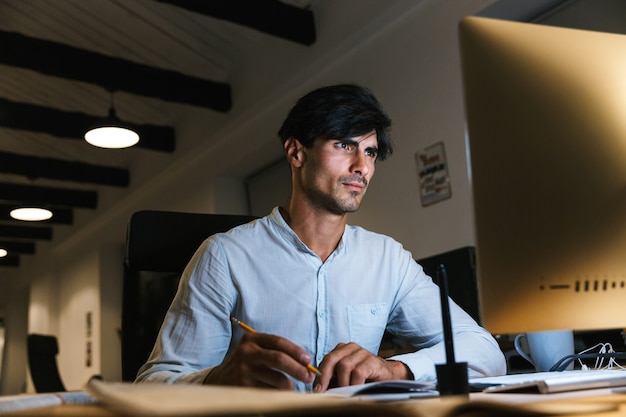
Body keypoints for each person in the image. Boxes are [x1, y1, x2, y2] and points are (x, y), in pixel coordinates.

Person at [135, 84, 506, 392]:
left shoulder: (386, 258)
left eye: (371, 152)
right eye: (345, 145)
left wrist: (393, 369)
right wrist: (216, 380)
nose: (362, 166)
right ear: (296, 152)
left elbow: (486, 353)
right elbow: (152, 385)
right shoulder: (225, 256)